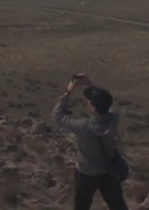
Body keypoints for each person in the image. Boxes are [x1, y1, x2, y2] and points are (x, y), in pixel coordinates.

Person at [53, 74, 128, 210]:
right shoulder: (113, 119)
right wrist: (91, 85)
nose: (87, 102)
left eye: (89, 101)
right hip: (109, 171)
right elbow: (108, 105)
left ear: (93, 107)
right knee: (118, 206)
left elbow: (58, 115)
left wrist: (68, 91)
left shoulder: (83, 126)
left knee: (81, 206)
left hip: (86, 174)